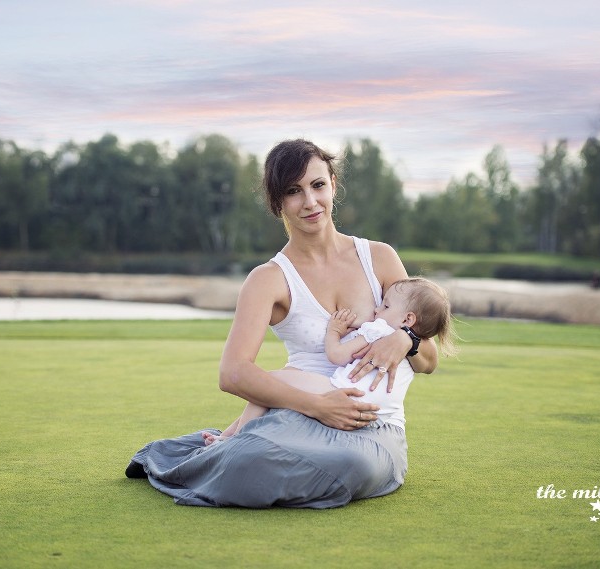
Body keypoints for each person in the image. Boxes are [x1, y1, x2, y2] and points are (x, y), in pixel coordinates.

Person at [126, 139, 439, 508]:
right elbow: (233, 374)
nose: (310, 202)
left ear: (333, 185)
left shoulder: (380, 258)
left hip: (371, 425)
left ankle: (230, 450)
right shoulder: (268, 279)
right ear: (277, 204)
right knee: (249, 463)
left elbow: (429, 361)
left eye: (317, 185)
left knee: (351, 461)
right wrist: (317, 406)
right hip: (298, 414)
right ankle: (228, 451)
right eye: (293, 191)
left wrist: (406, 340)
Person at [202, 277, 456, 445]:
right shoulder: (407, 341)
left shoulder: (378, 330)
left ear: (408, 319)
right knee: (274, 393)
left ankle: (229, 441)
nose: (378, 310)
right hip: (376, 413)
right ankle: (229, 437)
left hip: (342, 393)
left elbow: (337, 355)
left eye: (386, 306)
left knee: (270, 382)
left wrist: (334, 331)